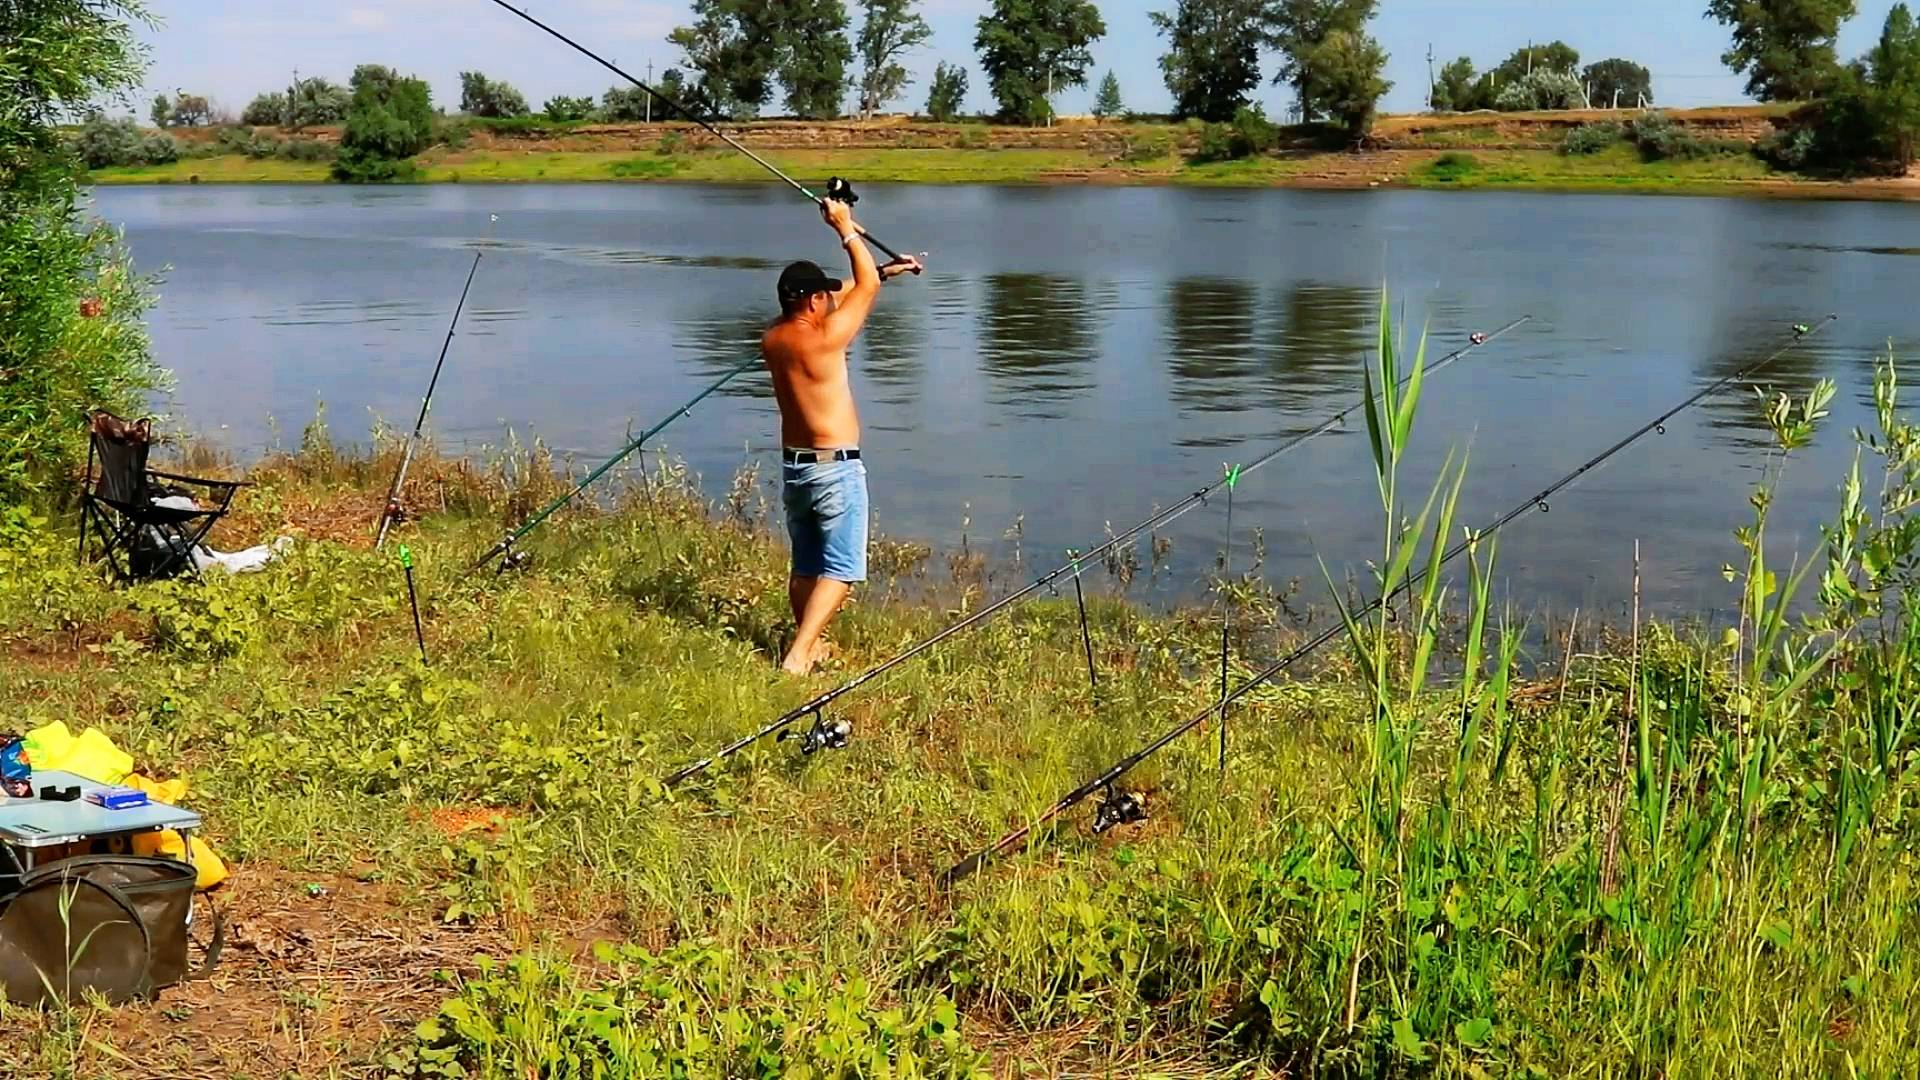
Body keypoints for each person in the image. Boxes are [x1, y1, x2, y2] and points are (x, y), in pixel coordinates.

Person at [762, 198, 922, 675]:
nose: (832, 299)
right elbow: (862, 285)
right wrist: (846, 230)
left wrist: (885, 271)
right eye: (825, 296)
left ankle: (810, 645)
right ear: (813, 302)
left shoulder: (772, 338)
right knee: (842, 570)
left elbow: (859, 288)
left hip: (796, 469)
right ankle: (798, 655)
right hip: (836, 470)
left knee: (806, 564)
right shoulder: (826, 338)